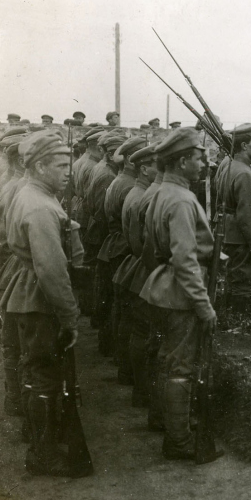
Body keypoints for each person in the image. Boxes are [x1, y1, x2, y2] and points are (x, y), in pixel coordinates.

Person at [3, 132, 89, 477]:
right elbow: (52, 270)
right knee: (45, 378)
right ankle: (44, 454)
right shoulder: (39, 205)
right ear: (39, 166)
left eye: (69, 164)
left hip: (29, 293)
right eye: (61, 165)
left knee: (35, 371)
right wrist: (70, 317)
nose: (69, 172)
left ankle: (40, 440)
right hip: (41, 299)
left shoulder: (35, 194)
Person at [138, 128, 222, 462]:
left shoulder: (163, 192)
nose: (204, 163)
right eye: (200, 157)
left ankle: (166, 421)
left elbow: (153, 246)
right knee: (181, 367)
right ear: (183, 160)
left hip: (164, 287)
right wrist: (205, 307)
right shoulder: (183, 199)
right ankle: (180, 441)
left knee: (167, 360)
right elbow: (185, 259)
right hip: (182, 293)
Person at [0, 132, 34, 418]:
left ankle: (15, 398)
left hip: (7, 269)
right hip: (12, 270)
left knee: (13, 340)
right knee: (17, 341)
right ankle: (17, 399)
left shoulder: (14, 183)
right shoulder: (16, 187)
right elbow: (1, 239)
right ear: (22, 159)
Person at [112, 142, 158, 408]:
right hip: (142, 267)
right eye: (156, 165)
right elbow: (142, 244)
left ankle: (136, 385)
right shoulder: (140, 195)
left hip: (135, 266)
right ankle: (142, 392)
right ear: (143, 169)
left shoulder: (137, 192)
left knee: (136, 331)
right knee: (144, 334)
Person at [98, 135, 147, 383]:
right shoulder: (129, 186)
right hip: (124, 248)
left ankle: (121, 362)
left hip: (116, 246)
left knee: (120, 309)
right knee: (128, 313)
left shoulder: (122, 181)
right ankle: (125, 365)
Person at [83, 131, 126, 348]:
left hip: (102, 234)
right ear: (112, 154)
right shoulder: (107, 175)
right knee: (106, 291)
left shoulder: (105, 170)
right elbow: (99, 211)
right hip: (102, 235)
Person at [219, 124, 251, 312]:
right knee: (242, 284)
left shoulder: (228, 167)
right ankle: (239, 327)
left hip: (230, 234)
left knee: (232, 280)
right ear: (244, 146)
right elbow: (247, 216)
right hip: (242, 239)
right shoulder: (245, 173)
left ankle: (227, 321)